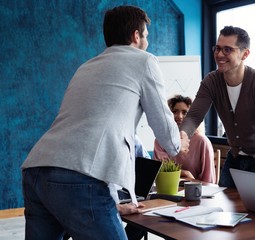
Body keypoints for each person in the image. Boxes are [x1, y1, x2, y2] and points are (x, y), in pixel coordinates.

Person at [21, 5, 189, 240]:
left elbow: (93, 135)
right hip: (79, 178)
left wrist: (111, 205)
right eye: (146, 36)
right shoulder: (144, 61)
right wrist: (179, 142)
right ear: (136, 35)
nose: (147, 43)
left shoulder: (86, 66)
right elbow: (164, 128)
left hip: (37, 170)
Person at [180, 26, 255, 188]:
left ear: (245, 54)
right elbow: (193, 117)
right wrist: (183, 135)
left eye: (227, 50)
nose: (220, 54)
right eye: (218, 48)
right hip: (236, 155)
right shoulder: (211, 81)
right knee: (224, 204)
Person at [154, 95, 216, 183]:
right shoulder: (160, 140)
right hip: (166, 189)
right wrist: (185, 173)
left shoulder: (202, 142)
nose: (179, 116)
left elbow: (209, 181)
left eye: (185, 112)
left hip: (196, 193)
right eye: (175, 111)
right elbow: (162, 171)